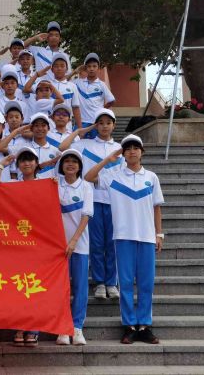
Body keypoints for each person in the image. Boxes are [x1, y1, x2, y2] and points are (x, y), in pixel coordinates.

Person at [85, 134, 164, 345]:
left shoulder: (151, 177)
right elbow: (88, 177)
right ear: (123, 153)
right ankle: (129, 325)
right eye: (127, 148)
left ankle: (144, 325)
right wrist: (107, 159)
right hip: (123, 237)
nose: (132, 151)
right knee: (126, 284)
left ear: (142, 152)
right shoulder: (113, 176)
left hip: (146, 237)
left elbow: (157, 207)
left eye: (135, 148)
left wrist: (159, 234)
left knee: (146, 283)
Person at [61, 108, 121, 300]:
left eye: (108, 123)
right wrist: (80, 131)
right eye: (100, 123)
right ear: (95, 125)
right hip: (92, 200)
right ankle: (99, 282)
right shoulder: (84, 144)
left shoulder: (119, 148)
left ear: (114, 125)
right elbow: (63, 148)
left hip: (114, 202)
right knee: (96, 244)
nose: (104, 126)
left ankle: (111, 282)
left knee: (111, 244)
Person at [0, 146, 41, 347]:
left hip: (38, 243)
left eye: (30, 160)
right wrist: (0, 166)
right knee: (19, 285)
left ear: (36, 163)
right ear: (18, 165)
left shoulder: (46, 184)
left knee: (34, 286)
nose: (26, 163)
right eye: (23, 160)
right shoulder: (12, 184)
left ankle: (33, 329)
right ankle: (20, 327)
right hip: (16, 242)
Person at [54, 149, 93, 346]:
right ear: (61, 165)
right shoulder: (54, 185)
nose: (70, 164)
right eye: (66, 161)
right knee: (61, 288)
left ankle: (77, 327)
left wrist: (74, 241)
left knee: (80, 287)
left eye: (74, 161)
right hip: (57, 247)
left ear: (79, 166)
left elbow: (86, 215)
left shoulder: (86, 186)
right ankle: (62, 328)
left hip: (80, 245)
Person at [73, 53, 115, 138]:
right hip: (81, 123)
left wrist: (102, 109)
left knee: (97, 145)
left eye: (94, 66)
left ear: (98, 68)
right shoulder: (78, 82)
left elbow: (112, 100)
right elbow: (63, 81)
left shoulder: (102, 84)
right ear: (85, 68)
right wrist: (75, 71)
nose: (91, 69)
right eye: (89, 66)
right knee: (76, 145)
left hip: (96, 123)